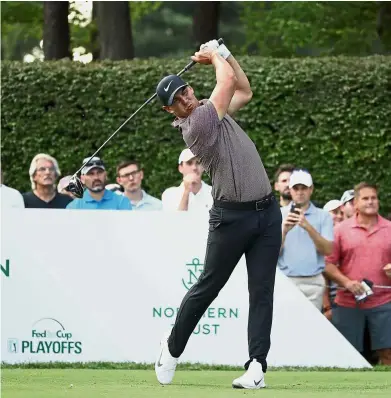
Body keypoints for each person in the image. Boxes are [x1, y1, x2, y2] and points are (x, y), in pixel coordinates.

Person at [154, 39, 282, 389]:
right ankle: (172, 347)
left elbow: (244, 89)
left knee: (262, 291)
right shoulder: (196, 126)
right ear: (171, 111)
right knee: (209, 286)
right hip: (231, 218)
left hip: (268, 213)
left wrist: (225, 55)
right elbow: (225, 84)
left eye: (185, 90)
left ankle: (257, 366)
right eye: (176, 100)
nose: (185, 98)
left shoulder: (212, 108)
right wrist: (213, 57)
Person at [325, 182, 391, 365]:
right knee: (347, 356)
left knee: (388, 354)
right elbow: (327, 264)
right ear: (355, 203)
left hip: (384, 301)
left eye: (374, 198)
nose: (371, 202)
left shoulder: (389, 229)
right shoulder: (340, 230)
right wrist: (346, 282)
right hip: (347, 302)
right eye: (366, 198)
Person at [278, 169, 333, 311]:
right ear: (290, 190)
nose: (300, 192)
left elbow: (327, 250)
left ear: (311, 189)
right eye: (296, 188)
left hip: (313, 282)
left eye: (304, 188)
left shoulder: (323, 216)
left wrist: (308, 227)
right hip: (286, 280)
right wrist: (283, 231)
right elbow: (269, 254)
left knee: (310, 331)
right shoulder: (278, 215)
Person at [66, 156, 132, 210]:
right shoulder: (73, 207)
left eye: (99, 172)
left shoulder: (122, 202)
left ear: (105, 175)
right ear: (82, 179)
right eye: (91, 174)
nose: (96, 177)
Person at [322, 199, 343, 320]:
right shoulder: (321, 239)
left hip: (348, 301)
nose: (339, 216)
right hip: (330, 303)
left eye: (342, 213)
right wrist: (326, 306)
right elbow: (322, 274)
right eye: (335, 212)